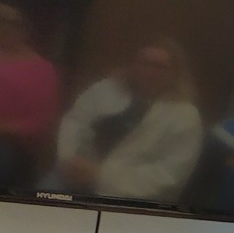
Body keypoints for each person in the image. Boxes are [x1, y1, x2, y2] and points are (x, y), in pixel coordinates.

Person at [49, 38, 203, 201]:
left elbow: (169, 174)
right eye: (144, 62)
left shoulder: (186, 116)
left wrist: (100, 175)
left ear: (175, 74)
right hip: (72, 174)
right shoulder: (106, 88)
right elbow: (75, 121)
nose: (149, 70)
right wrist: (68, 159)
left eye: (160, 66)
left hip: (126, 195)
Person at [0, 4, 59, 186]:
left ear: (24, 29)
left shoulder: (42, 70)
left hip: (11, 143)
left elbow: (39, 123)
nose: (4, 29)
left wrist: (4, 128)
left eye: (10, 24)